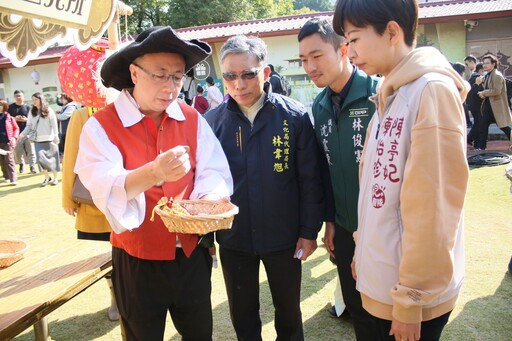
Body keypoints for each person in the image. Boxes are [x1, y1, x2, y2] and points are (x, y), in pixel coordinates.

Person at [74, 26, 233, 341]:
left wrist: (207, 200)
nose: (170, 86)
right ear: (134, 72)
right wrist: (153, 173)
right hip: (137, 259)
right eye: (160, 75)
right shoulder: (101, 126)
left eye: (177, 77)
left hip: (191, 255)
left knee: (199, 333)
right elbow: (102, 181)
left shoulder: (191, 118)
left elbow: (213, 170)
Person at [333, 1, 470, 340]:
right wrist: (363, 249)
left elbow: (433, 210)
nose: (349, 52)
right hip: (384, 282)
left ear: (391, 31)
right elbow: (379, 190)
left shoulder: (430, 91)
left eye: (354, 38)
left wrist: (411, 300)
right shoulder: (391, 93)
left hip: (409, 297)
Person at [205, 35, 324, 340]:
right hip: (234, 238)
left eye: (248, 74)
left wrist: (309, 232)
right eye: (230, 76)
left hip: (284, 238)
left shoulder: (294, 117)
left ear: (265, 72)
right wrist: (208, 240)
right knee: (243, 315)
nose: (239, 84)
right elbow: (202, 183)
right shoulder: (211, 123)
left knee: (288, 313)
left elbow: (311, 180)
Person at [298, 17, 379, 339]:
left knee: (389, 312)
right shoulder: (318, 106)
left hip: (383, 228)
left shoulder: (379, 93)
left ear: (344, 49)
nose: (309, 67)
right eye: (303, 59)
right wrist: (330, 220)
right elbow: (324, 169)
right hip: (345, 228)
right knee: (359, 310)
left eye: (317, 56)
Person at [62, 106, 120, 322]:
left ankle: (127, 296)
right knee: (107, 257)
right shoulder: (81, 114)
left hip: (124, 197)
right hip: (93, 201)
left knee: (128, 256)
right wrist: (68, 198)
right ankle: (115, 295)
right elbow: (71, 156)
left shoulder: (128, 107)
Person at [18, 92, 60, 186]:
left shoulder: (48, 110)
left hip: (50, 139)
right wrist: (21, 135)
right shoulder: (31, 112)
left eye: (35, 99)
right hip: (38, 140)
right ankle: (46, 177)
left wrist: (56, 135)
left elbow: (54, 124)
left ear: (41, 99)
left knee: (53, 159)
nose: (34, 101)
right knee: (41, 160)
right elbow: (28, 126)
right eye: (33, 100)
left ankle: (55, 178)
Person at [476, 53, 512, 150]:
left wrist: (484, 92)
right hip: (490, 105)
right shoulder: (488, 74)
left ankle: (481, 146)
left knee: (504, 127)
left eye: (487, 63)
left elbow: (497, 90)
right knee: (483, 125)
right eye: (484, 63)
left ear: (493, 64)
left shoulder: (497, 75)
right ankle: (481, 146)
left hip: (496, 106)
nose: (485, 65)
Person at [8, 90, 36, 174]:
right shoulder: (11, 107)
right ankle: (21, 164)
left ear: (23, 97)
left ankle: (32, 166)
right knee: (18, 151)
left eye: (20, 96)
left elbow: (33, 120)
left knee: (30, 150)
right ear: (14, 97)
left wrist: (26, 119)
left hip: (27, 132)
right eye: (17, 96)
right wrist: (14, 118)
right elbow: (7, 118)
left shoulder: (28, 108)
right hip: (16, 133)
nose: (18, 98)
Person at [0, 99, 19, 185]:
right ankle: (6, 176)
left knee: (9, 159)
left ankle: (13, 178)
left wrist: (14, 137)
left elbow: (16, 128)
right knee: (2, 160)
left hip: (7, 141)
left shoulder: (9, 117)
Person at [467, 62, 484, 148]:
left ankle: (470, 140)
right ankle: (475, 142)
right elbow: (475, 92)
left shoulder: (472, 78)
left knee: (477, 124)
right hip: (477, 106)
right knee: (478, 125)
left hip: (473, 105)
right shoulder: (478, 78)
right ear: (481, 70)